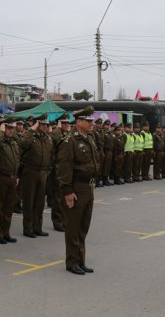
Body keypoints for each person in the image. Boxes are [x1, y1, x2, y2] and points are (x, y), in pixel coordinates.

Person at [55, 106, 100, 276]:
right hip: (76, 188)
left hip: (88, 187)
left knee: (83, 227)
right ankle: (72, 262)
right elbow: (63, 167)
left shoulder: (89, 138)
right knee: (73, 227)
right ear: (79, 121)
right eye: (88, 121)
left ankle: (80, 260)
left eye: (91, 121)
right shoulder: (69, 141)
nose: (91, 124)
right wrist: (67, 191)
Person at [18, 115, 53, 238]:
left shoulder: (47, 138)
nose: (44, 127)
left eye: (46, 125)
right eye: (42, 124)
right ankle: (28, 229)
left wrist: (48, 169)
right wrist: (32, 129)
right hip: (30, 172)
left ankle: (37, 227)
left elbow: (51, 155)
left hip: (43, 172)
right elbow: (21, 144)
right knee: (29, 201)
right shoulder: (30, 136)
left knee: (39, 202)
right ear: (37, 125)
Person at [0, 121, 20, 244]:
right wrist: (0, 133)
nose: (11, 130)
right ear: (3, 128)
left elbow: (17, 159)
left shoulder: (13, 143)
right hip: (1, 177)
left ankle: (6, 232)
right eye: (8, 128)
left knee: (9, 207)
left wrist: (17, 176)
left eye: (12, 128)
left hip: (12, 178)